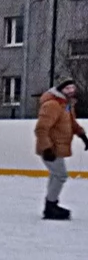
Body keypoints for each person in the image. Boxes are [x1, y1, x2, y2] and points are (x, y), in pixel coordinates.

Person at [34, 78, 87, 220]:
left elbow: (72, 123)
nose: (71, 91)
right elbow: (41, 128)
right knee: (60, 175)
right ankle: (50, 206)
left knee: (56, 174)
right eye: (67, 89)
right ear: (61, 90)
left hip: (57, 148)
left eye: (72, 88)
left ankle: (50, 205)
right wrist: (46, 148)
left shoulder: (65, 106)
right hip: (51, 148)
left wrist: (82, 135)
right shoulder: (52, 105)